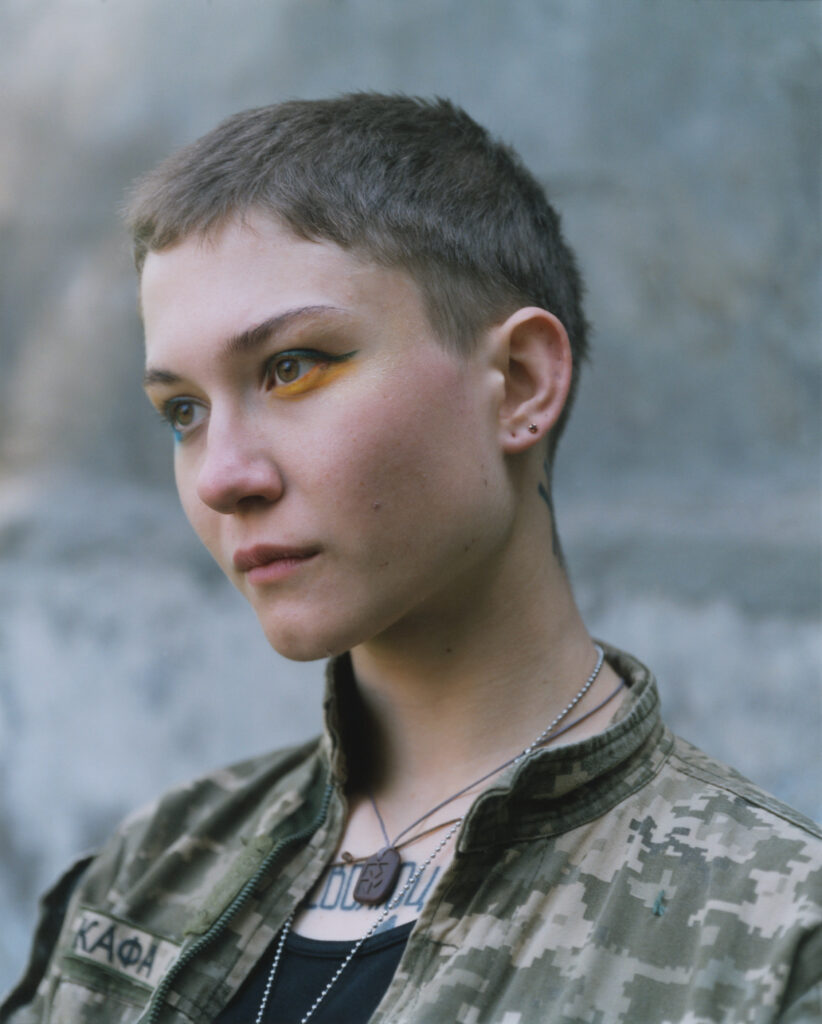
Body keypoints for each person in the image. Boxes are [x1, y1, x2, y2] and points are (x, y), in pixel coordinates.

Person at [2, 93, 819, 1024]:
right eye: (182, 411)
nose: (223, 477)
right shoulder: (156, 867)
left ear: (519, 382)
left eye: (292, 366)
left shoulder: (773, 942)